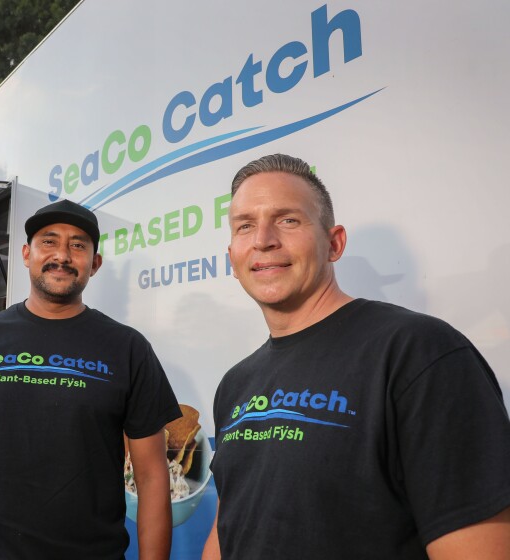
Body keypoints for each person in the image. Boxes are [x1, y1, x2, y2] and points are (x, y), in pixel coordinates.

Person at [203, 154, 510, 559]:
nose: (263, 239)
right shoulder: (236, 383)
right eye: (245, 225)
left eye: (288, 220)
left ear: (334, 243)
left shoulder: (419, 352)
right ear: (233, 256)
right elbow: (228, 529)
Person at [0, 200, 181, 560]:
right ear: (26, 254)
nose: (63, 255)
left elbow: (152, 478)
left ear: (95, 264)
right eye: (48, 241)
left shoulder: (128, 348)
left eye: (78, 245)